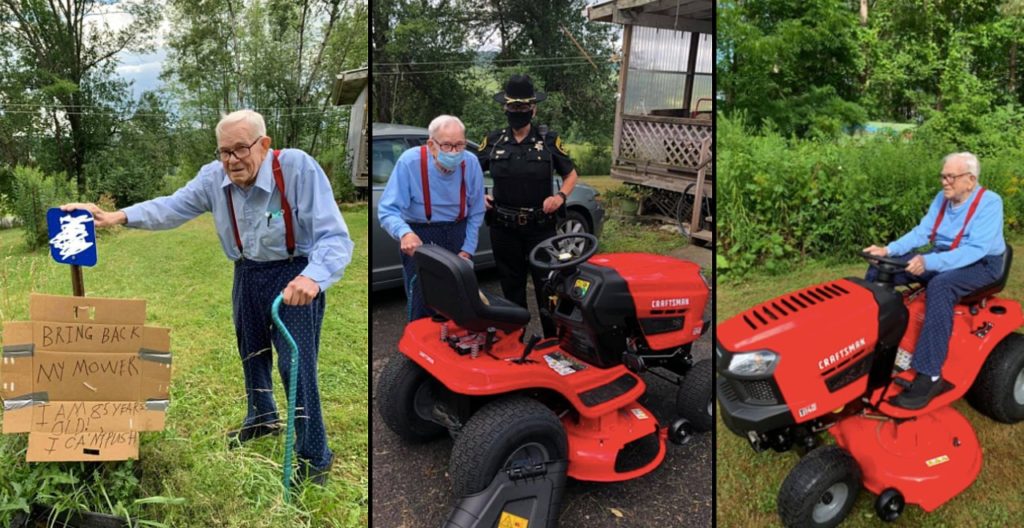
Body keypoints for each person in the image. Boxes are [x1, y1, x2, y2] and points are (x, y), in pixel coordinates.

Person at [61, 109, 353, 484]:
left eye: (240, 149)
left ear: (263, 144)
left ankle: (314, 456)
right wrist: (117, 217)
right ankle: (262, 419)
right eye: (224, 152)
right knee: (252, 351)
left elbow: (335, 236)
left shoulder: (297, 168)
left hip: (294, 273)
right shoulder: (213, 178)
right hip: (246, 272)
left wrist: (312, 277)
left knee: (295, 365)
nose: (231, 160)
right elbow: (171, 206)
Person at [863, 151, 1005, 409]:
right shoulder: (942, 199)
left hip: (982, 264)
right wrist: (888, 251)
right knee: (879, 270)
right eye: (943, 176)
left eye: (951, 177)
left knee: (941, 285)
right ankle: (873, 342)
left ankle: (930, 374)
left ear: (970, 180)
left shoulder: (990, 203)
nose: (944, 182)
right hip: (944, 255)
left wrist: (930, 263)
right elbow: (923, 232)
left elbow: (976, 250)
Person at [476, 74, 579, 338]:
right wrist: (477, 195)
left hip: (540, 229)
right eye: (513, 107)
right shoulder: (494, 140)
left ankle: (553, 343)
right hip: (504, 227)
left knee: (548, 287)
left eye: (523, 107)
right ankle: (514, 342)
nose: (517, 112)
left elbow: (571, 174)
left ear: (533, 108)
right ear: (505, 108)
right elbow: (470, 170)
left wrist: (560, 198)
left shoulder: (548, 140)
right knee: (511, 289)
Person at [378, 114, 485, 320]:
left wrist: (467, 250)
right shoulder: (410, 162)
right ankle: (420, 348)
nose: (454, 152)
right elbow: (387, 210)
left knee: (459, 300)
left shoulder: (471, 163)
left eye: (459, 145)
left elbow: (476, 210)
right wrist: (405, 233)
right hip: (421, 235)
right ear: (431, 144)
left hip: (457, 232)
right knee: (423, 300)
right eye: (447, 145)